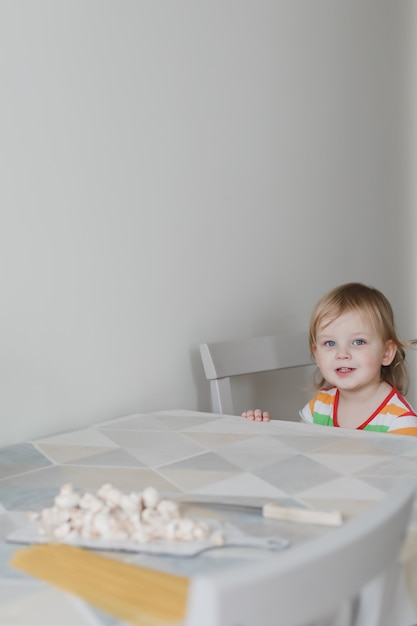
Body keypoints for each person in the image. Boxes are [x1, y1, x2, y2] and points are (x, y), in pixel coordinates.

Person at [242, 282, 417, 436]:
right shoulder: (320, 406)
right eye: (330, 343)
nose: (342, 354)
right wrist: (262, 429)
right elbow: (300, 451)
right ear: (316, 354)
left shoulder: (400, 421)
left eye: (358, 341)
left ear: (386, 353)